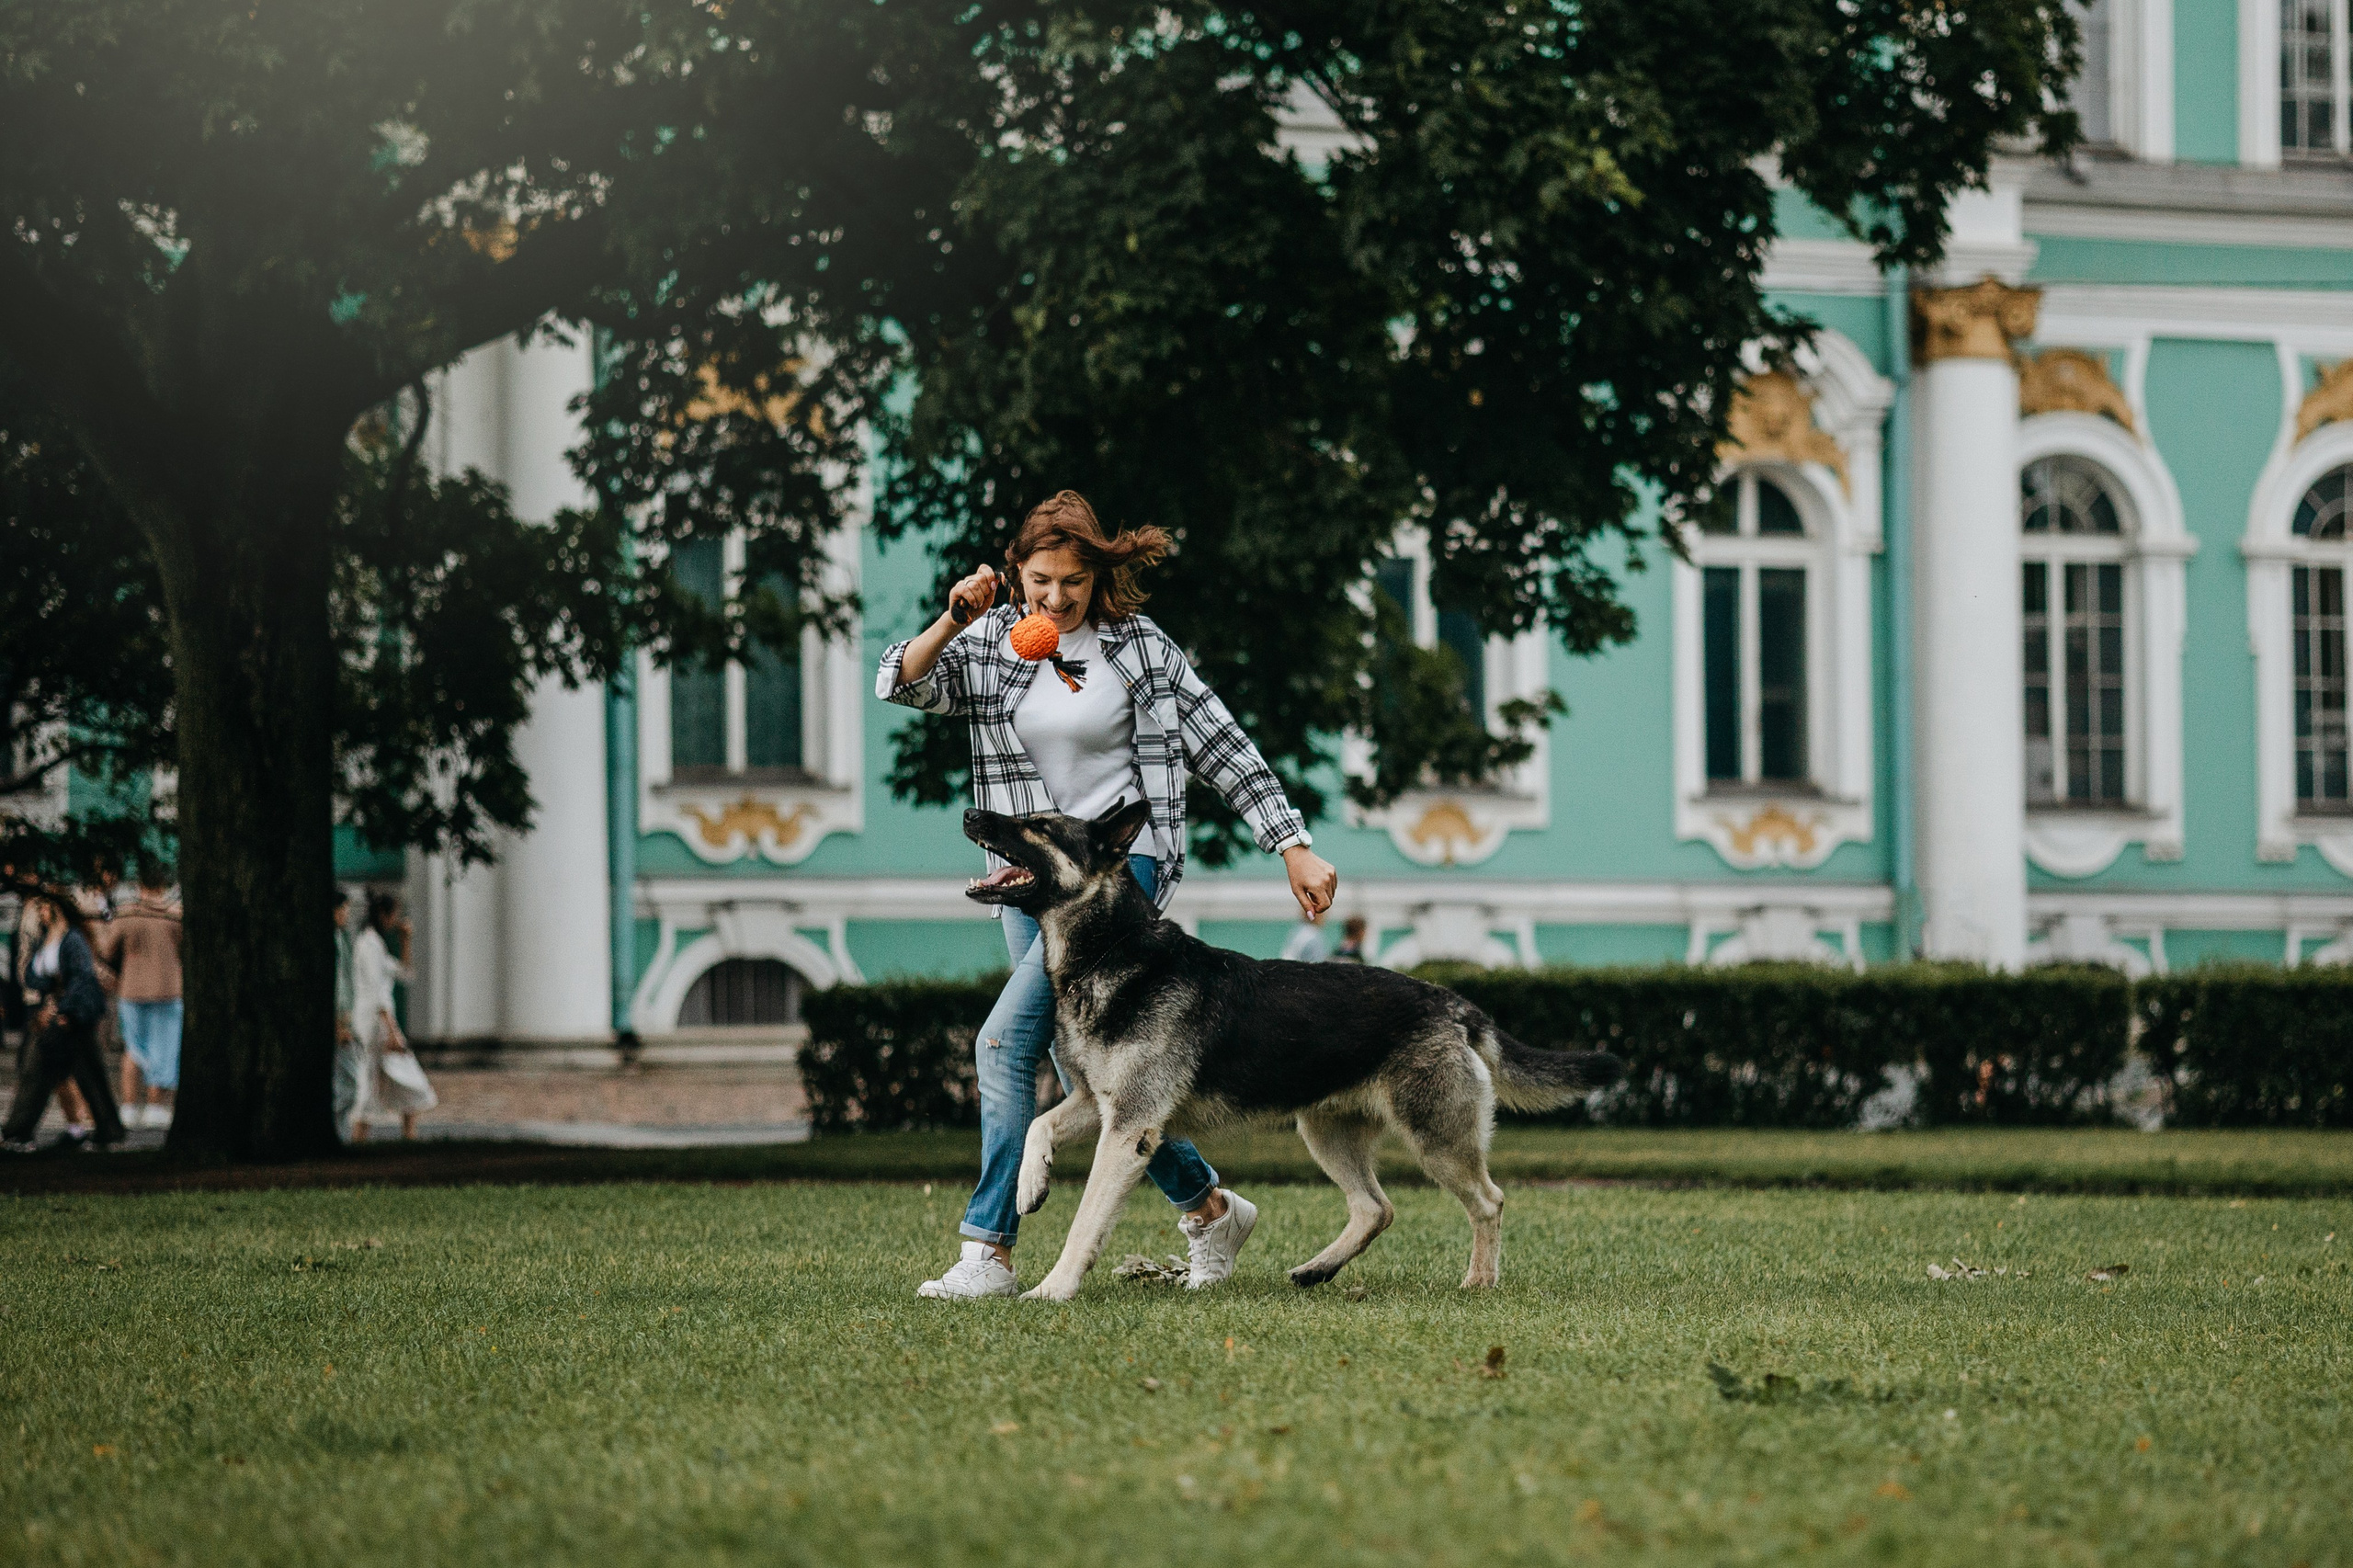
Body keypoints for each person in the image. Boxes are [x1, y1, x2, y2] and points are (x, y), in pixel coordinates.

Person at [878, 489, 1339, 1299]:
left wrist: (1291, 844)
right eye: (1042, 580)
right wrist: (954, 616)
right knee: (1080, 1063)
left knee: (1001, 1043)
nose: (1056, 598)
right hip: (1032, 882)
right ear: (1016, 570)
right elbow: (904, 685)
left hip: (1124, 870)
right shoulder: (991, 641)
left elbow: (1219, 741)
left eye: (1074, 583)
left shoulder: (1140, 647)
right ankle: (1209, 1210)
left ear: (1098, 578)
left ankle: (987, 1251)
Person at [2, 893, 125, 1150]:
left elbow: (82, 978)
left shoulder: (73, 939)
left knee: (89, 1074)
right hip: (51, 1014)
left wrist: (64, 1010)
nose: (42, 913)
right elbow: (33, 974)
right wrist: (46, 998)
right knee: (36, 1071)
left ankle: (108, 1129)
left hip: (72, 1017)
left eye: (46, 907)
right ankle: (18, 1130)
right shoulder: (44, 940)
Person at [94, 859, 182, 1129]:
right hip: (169, 989)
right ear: (164, 885)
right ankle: (157, 1108)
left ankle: (130, 1107)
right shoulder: (175, 916)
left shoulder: (126, 915)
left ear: (139, 885)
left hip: (132, 990)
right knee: (165, 1051)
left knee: (133, 1049)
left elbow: (107, 950)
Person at [346, 891, 435, 1142]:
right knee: (373, 1076)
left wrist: (405, 940)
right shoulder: (368, 945)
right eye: (394, 914)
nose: (397, 919)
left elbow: (405, 973)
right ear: (383, 915)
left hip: (379, 1020)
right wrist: (392, 1030)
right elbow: (376, 993)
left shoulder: (378, 945)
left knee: (390, 1075)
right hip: (375, 1023)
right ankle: (361, 1135)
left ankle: (407, 1133)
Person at [331, 889, 360, 1132]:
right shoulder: (335, 941)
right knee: (350, 1084)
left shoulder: (341, 938)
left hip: (343, 1019)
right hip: (340, 1022)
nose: (346, 915)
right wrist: (342, 1023)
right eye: (344, 909)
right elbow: (340, 985)